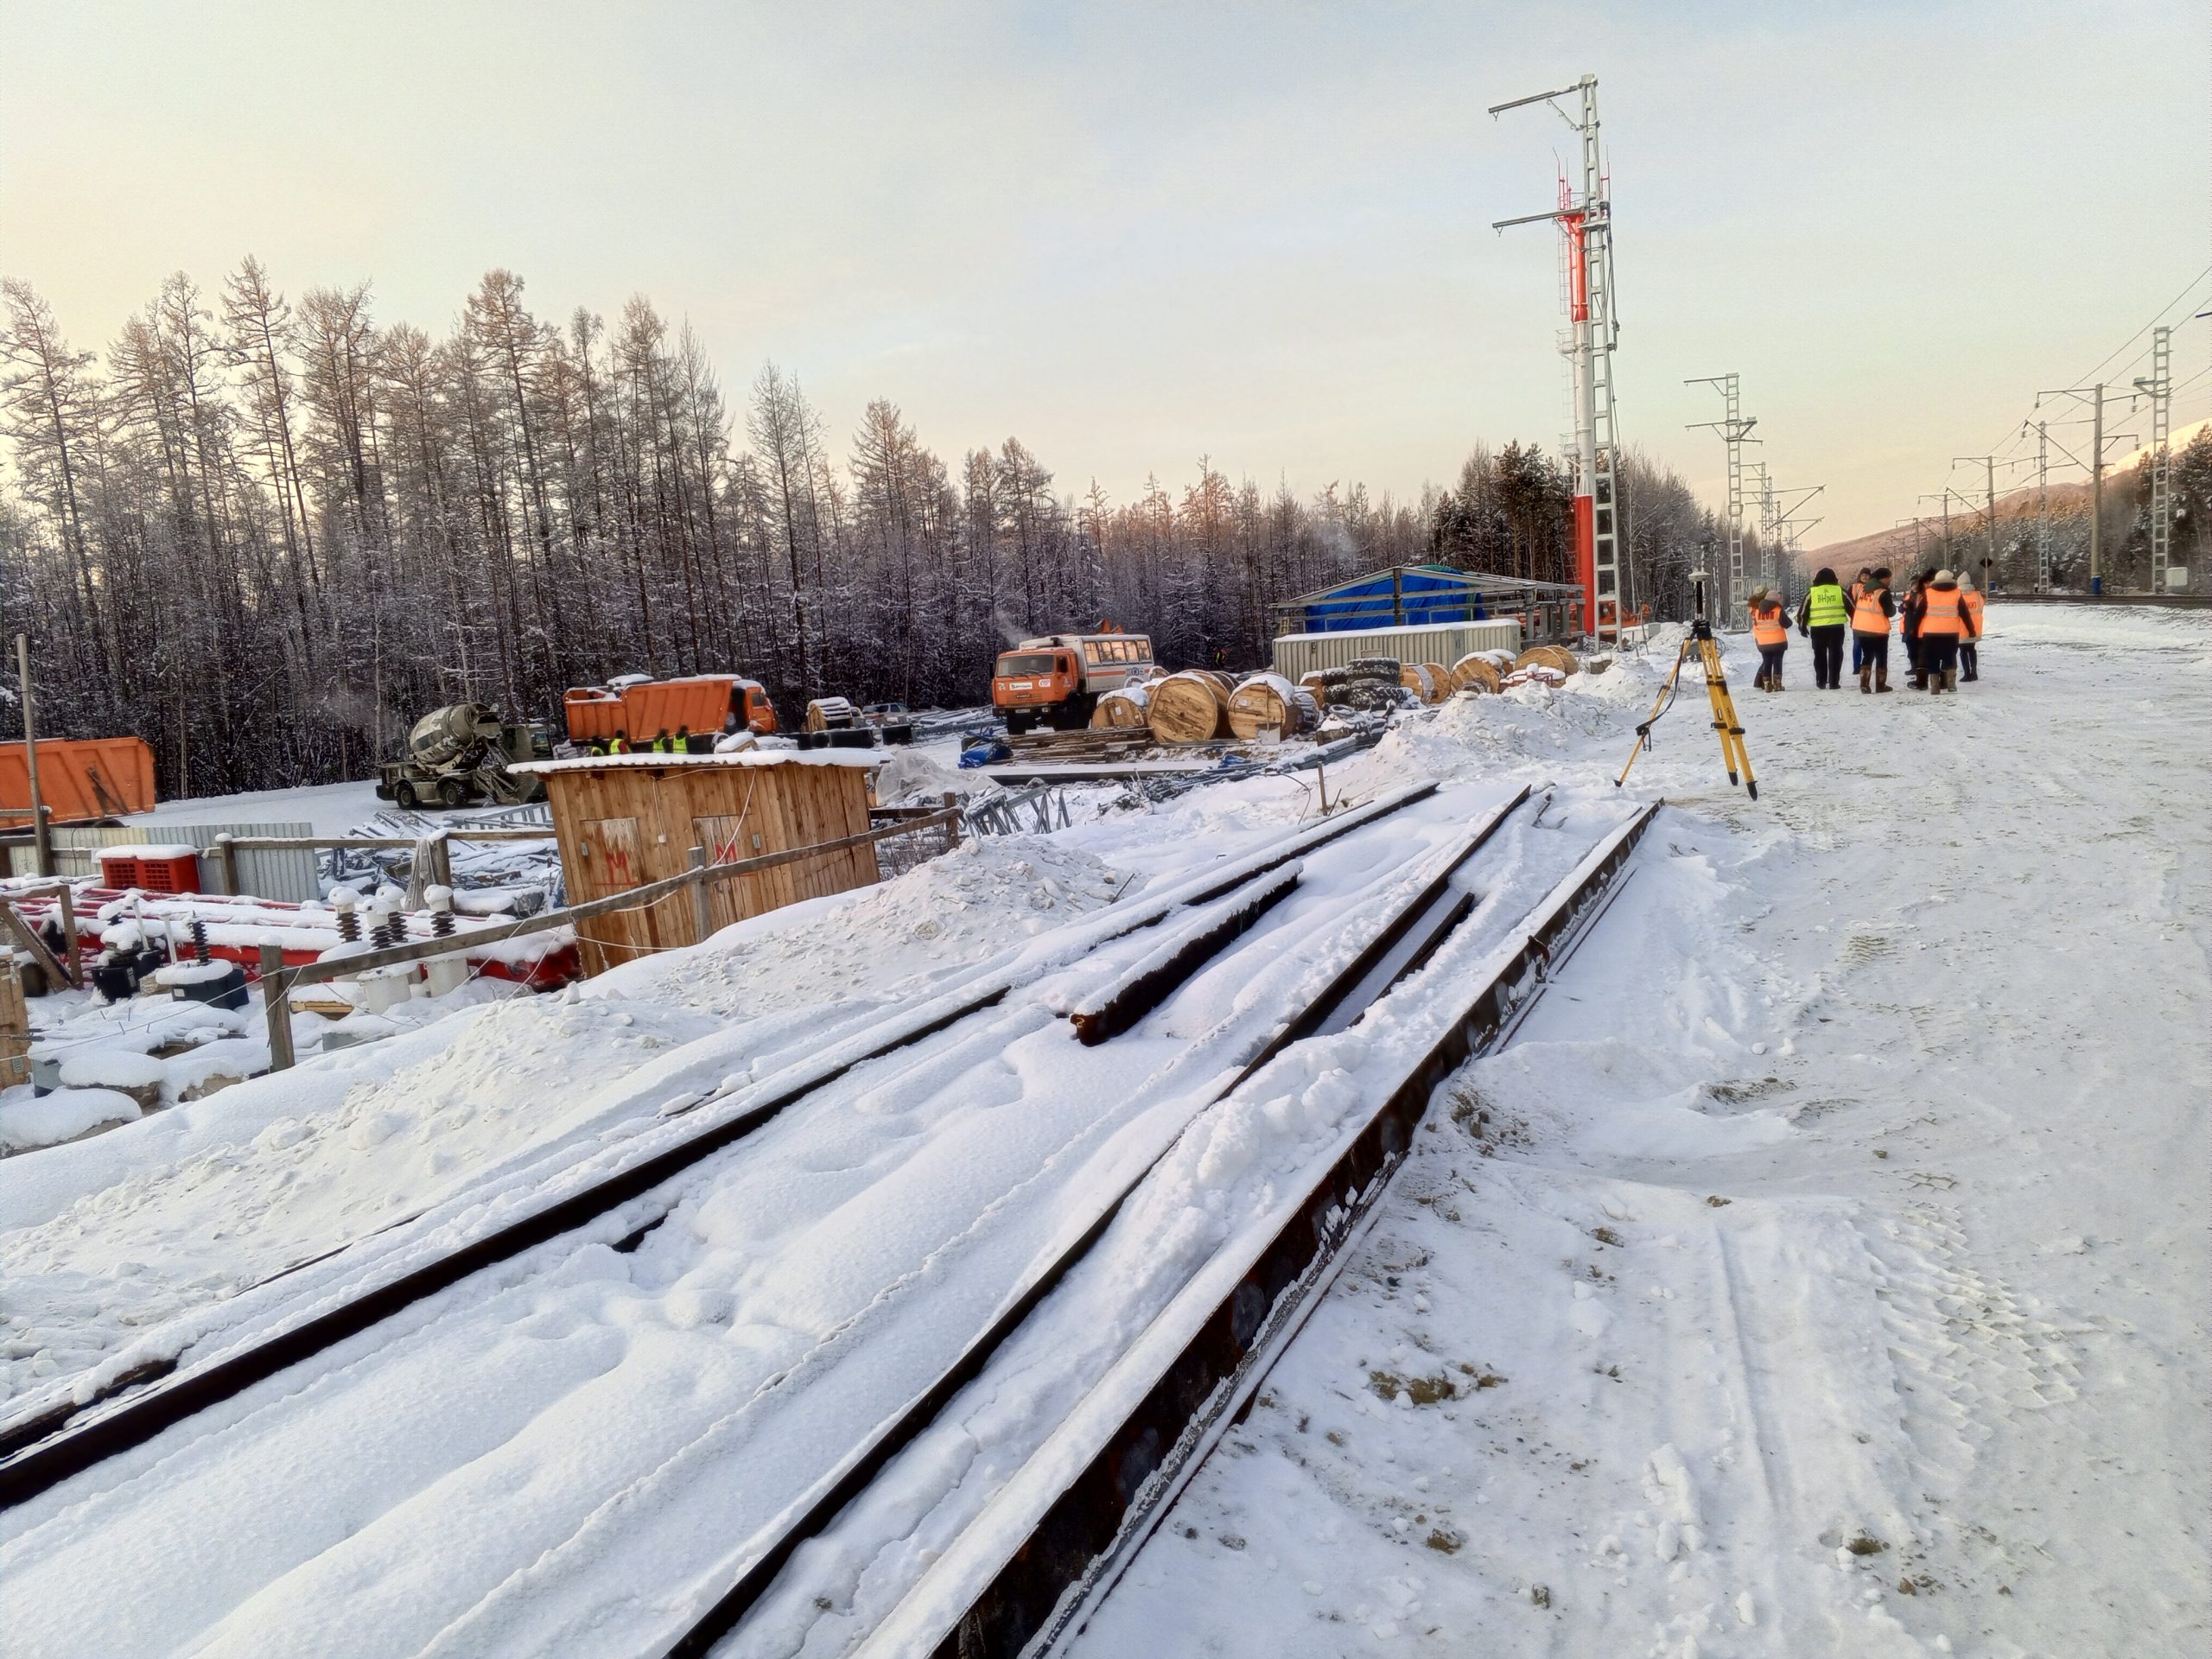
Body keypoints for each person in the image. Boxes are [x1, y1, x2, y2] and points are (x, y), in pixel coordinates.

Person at [1796, 566, 1850, 689]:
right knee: (1836, 655)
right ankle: (1834, 682)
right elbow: (1852, 607)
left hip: (1818, 629)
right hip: (1836, 628)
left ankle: (1821, 681)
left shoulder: (1812, 592)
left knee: (1819, 655)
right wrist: (1856, 622)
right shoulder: (1839, 591)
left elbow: (1803, 612)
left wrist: (1802, 627)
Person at [1919, 569, 1969, 693]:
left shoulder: (1929, 593)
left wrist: (1912, 629)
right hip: (1951, 631)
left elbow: (1919, 613)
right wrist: (1971, 629)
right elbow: (1965, 614)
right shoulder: (1957, 594)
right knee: (1950, 657)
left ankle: (1935, 686)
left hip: (1931, 632)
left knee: (1933, 658)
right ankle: (1951, 684)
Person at [1853, 566, 1897, 693]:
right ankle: (1881, 685)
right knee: (1881, 656)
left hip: (1861, 628)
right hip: (1877, 630)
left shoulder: (1863, 590)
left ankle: (1864, 685)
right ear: (1883, 578)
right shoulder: (1882, 592)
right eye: (1889, 578)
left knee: (1867, 656)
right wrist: (1893, 607)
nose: (1889, 581)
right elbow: (1890, 612)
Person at [1748, 585, 1789, 690]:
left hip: (1763, 642)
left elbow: (1756, 624)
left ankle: (1767, 685)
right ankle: (1777, 685)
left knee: (1766, 661)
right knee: (1777, 662)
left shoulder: (1757, 611)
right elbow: (1787, 624)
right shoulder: (1778, 610)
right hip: (1778, 642)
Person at [1901, 571, 1932, 689]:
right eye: (1913, 584)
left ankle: (1921, 674)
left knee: (1921, 652)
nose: (1914, 586)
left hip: (1920, 627)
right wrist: (1904, 606)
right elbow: (1901, 608)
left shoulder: (1924, 595)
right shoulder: (1909, 595)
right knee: (1911, 651)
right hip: (1909, 626)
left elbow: (1921, 611)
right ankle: (1914, 668)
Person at [1959, 579, 1986, 681]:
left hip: (1961, 627)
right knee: (1972, 649)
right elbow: (1981, 608)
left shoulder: (1958, 596)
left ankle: (1967, 674)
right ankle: (1974, 672)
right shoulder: (1977, 595)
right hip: (1975, 627)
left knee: (1963, 651)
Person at [1848, 567, 1872, 677]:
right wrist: (1852, 615)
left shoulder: (1874, 587)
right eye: (1862, 575)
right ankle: (1856, 667)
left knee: (1868, 645)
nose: (1864, 576)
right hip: (1857, 621)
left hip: (1871, 621)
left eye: (1867, 575)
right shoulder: (1853, 587)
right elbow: (1848, 603)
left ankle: (1866, 665)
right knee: (1857, 645)